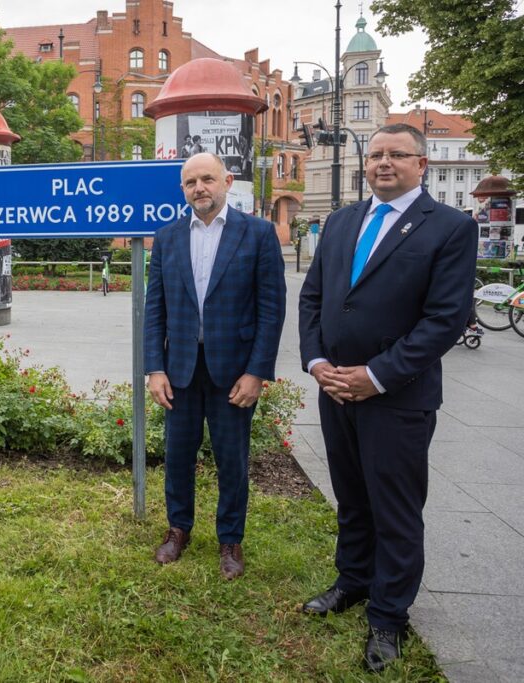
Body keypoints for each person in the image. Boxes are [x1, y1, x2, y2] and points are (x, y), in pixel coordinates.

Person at [298, 123, 478, 672]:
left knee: (395, 510)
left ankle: (388, 616)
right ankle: (352, 582)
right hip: (336, 390)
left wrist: (374, 376)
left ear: (420, 164)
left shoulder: (448, 227)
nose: (382, 163)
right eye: (375, 154)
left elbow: (446, 319)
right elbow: (313, 299)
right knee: (352, 499)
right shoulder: (342, 221)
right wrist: (318, 361)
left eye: (396, 155)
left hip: (395, 396)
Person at [144, 152, 286, 580]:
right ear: (183, 189)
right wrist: (155, 368)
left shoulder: (258, 235)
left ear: (227, 181)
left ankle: (230, 540)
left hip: (234, 371)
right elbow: (155, 310)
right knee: (178, 455)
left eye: (207, 179)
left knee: (232, 458)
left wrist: (257, 372)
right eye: (190, 182)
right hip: (180, 369)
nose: (199, 188)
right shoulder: (167, 237)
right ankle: (177, 530)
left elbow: (271, 310)